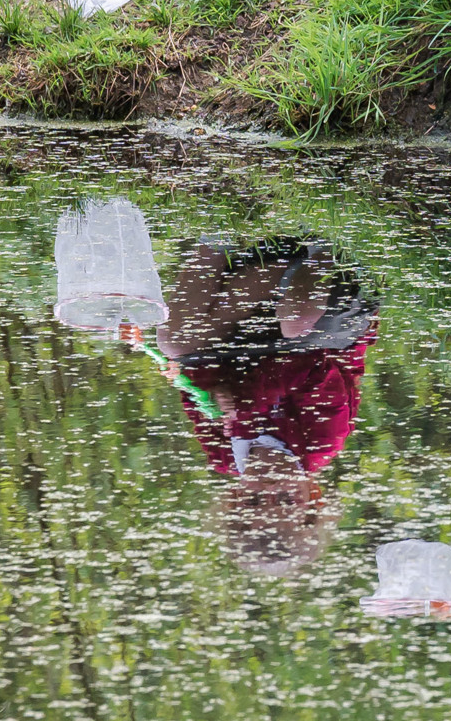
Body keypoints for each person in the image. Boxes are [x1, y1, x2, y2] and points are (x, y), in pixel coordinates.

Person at [160, 236, 377, 578]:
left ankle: (215, 240)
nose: (269, 488)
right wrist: (245, 408)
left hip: (247, 339)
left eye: (254, 502)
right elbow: (311, 366)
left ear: (234, 499)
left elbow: (193, 386)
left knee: (174, 343)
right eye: (287, 500)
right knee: (295, 321)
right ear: (313, 496)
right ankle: (322, 245)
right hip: (326, 329)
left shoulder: (223, 455)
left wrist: (212, 387)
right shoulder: (320, 445)